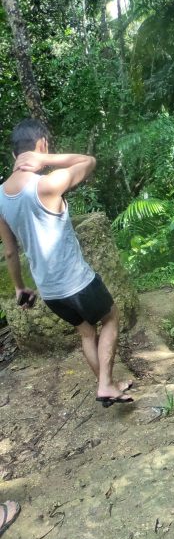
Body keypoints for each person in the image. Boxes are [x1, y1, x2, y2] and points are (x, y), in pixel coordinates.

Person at [0, 119, 133, 407]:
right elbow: (89, 161)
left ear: (13, 155)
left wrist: (20, 288)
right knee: (110, 318)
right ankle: (106, 385)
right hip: (77, 281)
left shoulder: (0, 197)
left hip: (49, 292)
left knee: (86, 332)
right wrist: (46, 160)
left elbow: (10, 252)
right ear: (41, 145)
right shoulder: (48, 184)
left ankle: (107, 384)